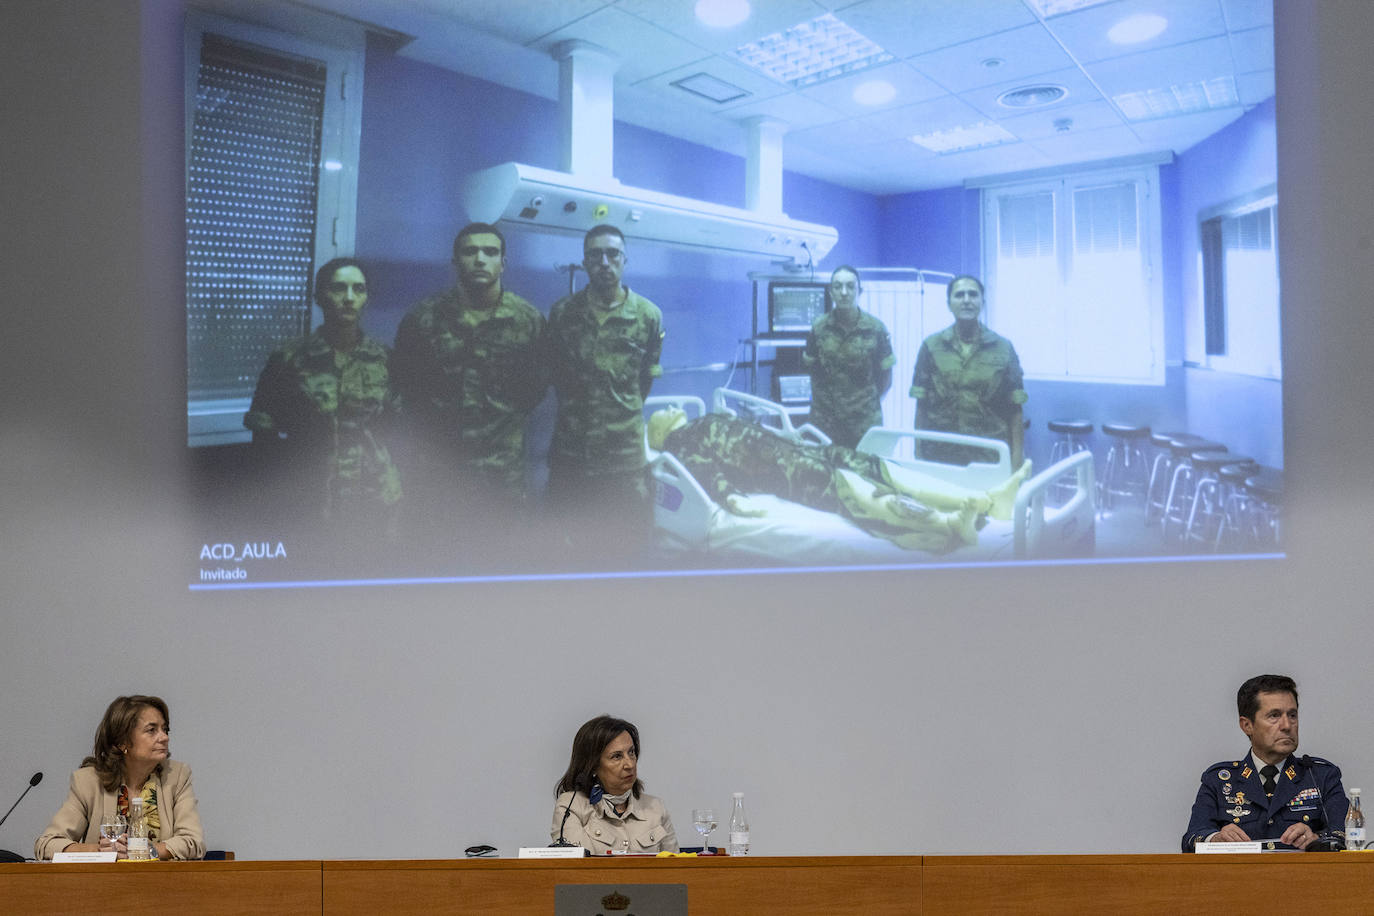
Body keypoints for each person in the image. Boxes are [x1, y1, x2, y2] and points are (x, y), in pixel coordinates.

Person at [648, 408, 1031, 554]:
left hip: (801, 451)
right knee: (857, 489)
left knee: (880, 467)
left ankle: (985, 497)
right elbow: (705, 472)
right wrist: (733, 501)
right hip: (790, 474)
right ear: (662, 433)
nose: (666, 409)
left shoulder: (709, 417)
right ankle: (947, 524)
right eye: (660, 414)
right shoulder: (681, 442)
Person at [391, 223, 546, 528]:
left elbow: (537, 388)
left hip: (501, 477)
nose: (479, 259)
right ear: (455, 262)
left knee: (499, 564)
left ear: (503, 263)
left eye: (490, 252)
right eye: (470, 251)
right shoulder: (423, 319)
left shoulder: (529, 321)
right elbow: (404, 385)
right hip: (438, 475)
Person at [243, 257, 402, 532]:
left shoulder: (384, 359)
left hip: (376, 498)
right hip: (309, 498)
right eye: (339, 288)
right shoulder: (289, 359)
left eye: (359, 289)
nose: (349, 298)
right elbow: (263, 432)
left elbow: (399, 425)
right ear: (319, 296)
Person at [546, 225, 665, 548]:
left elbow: (644, 381)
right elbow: (556, 375)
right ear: (584, 262)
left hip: (623, 460)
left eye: (613, 254)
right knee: (564, 552)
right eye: (595, 254)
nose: (604, 261)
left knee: (624, 550)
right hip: (571, 456)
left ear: (625, 260)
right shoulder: (562, 314)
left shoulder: (648, 317)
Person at [1182, 674, 1349, 851]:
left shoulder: (1320, 776)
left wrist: (1316, 839)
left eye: (1292, 715)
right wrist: (1215, 838)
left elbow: (1344, 835)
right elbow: (1191, 838)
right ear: (1247, 725)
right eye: (1274, 716)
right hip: (1238, 878)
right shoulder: (1219, 780)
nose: (1286, 725)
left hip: (1304, 877)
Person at [35, 695, 204, 861]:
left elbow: (192, 842)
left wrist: (146, 851)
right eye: (151, 730)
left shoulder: (177, 776)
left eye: (165, 729)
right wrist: (101, 851)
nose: (164, 737)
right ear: (122, 742)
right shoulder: (88, 782)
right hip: (104, 885)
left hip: (163, 885)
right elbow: (48, 844)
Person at [910, 275, 1026, 467]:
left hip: (989, 455)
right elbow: (921, 407)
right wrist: (918, 453)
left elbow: (1016, 411)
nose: (966, 300)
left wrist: (1016, 461)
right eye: (959, 295)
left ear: (982, 302)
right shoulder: (931, 347)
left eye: (973, 294)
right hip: (940, 454)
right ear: (949, 303)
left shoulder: (1003, 348)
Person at [551, 715, 678, 855]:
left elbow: (676, 870)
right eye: (617, 756)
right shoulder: (572, 806)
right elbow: (578, 869)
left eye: (631, 752)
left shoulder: (655, 807)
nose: (630, 764)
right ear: (592, 766)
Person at [802, 265, 895, 449]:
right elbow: (812, 370)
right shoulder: (818, 328)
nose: (844, 292)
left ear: (859, 290)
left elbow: (886, 378)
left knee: (865, 474)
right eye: (837, 287)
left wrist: (863, 405)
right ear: (830, 292)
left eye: (850, 286)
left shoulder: (876, 329)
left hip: (864, 425)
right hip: (824, 424)